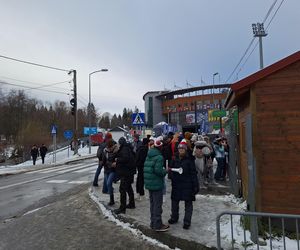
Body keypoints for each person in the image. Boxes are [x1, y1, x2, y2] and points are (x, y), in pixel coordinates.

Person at [168, 140, 199, 230]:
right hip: (177, 184)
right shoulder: (174, 158)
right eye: (180, 148)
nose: (181, 150)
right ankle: (174, 217)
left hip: (187, 184)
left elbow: (193, 173)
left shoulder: (190, 160)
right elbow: (170, 169)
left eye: (182, 148)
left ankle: (187, 221)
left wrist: (195, 185)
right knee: (174, 202)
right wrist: (171, 174)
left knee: (188, 204)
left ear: (185, 150)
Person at [144, 139, 169, 232]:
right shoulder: (159, 157)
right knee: (158, 205)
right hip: (156, 184)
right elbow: (158, 171)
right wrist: (165, 171)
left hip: (149, 184)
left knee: (152, 204)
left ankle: (153, 223)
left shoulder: (149, 155)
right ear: (160, 147)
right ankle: (158, 225)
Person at [113, 137, 136, 214]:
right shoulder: (127, 148)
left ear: (121, 143)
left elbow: (125, 159)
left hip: (126, 173)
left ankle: (122, 208)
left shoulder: (124, 149)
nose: (118, 144)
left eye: (119, 143)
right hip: (129, 172)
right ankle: (132, 203)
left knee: (122, 189)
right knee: (128, 188)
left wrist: (117, 160)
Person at [102, 138, 119, 206]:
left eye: (110, 146)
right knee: (107, 184)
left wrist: (115, 163)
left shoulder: (116, 151)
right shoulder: (105, 151)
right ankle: (111, 199)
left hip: (113, 170)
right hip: (107, 169)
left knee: (109, 183)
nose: (109, 147)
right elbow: (104, 161)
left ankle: (112, 200)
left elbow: (118, 160)